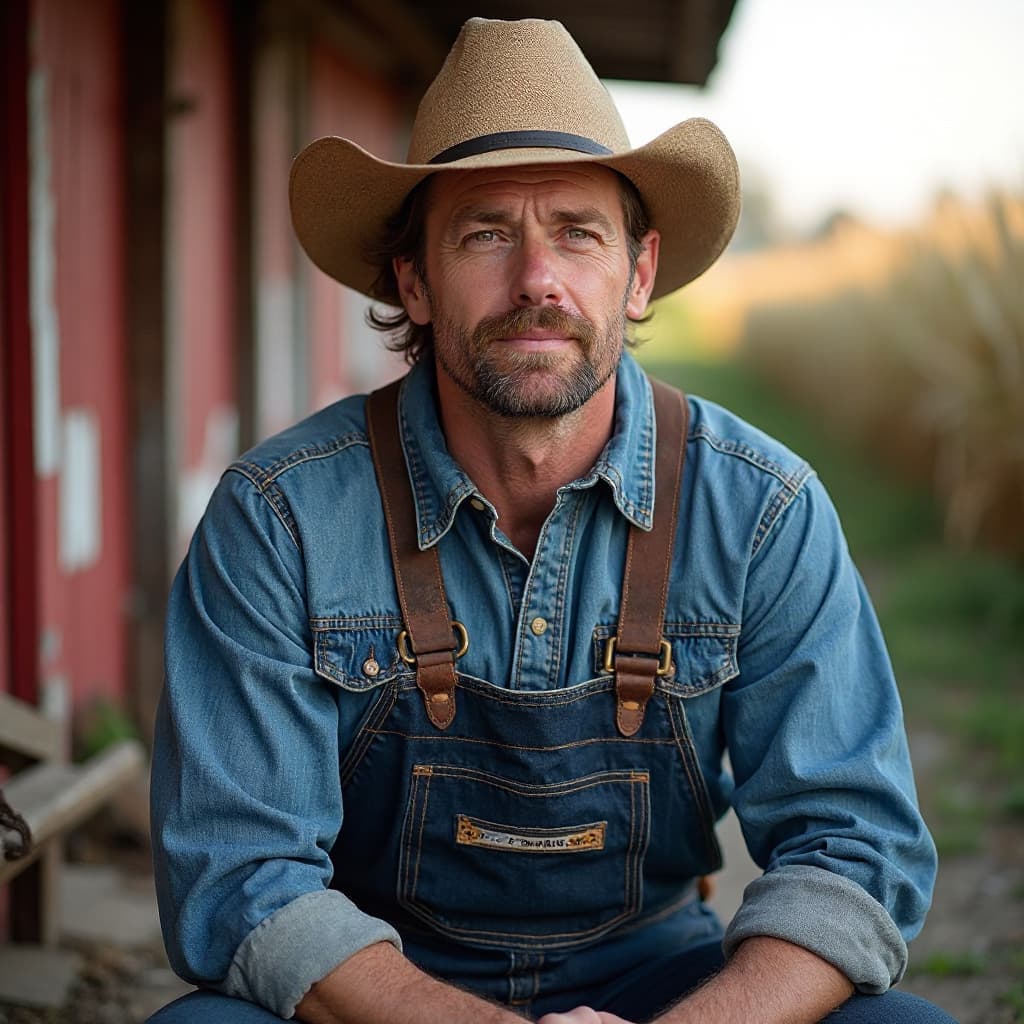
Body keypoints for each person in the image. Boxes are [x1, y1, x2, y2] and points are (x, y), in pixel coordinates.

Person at [148, 17, 954, 1024]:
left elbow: (854, 844)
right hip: (374, 988)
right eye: (487, 232)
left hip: (663, 980)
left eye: (577, 230)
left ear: (640, 270)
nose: (537, 280)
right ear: (415, 281)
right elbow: (239, 869)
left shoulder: (760, 508)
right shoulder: (280, 517)